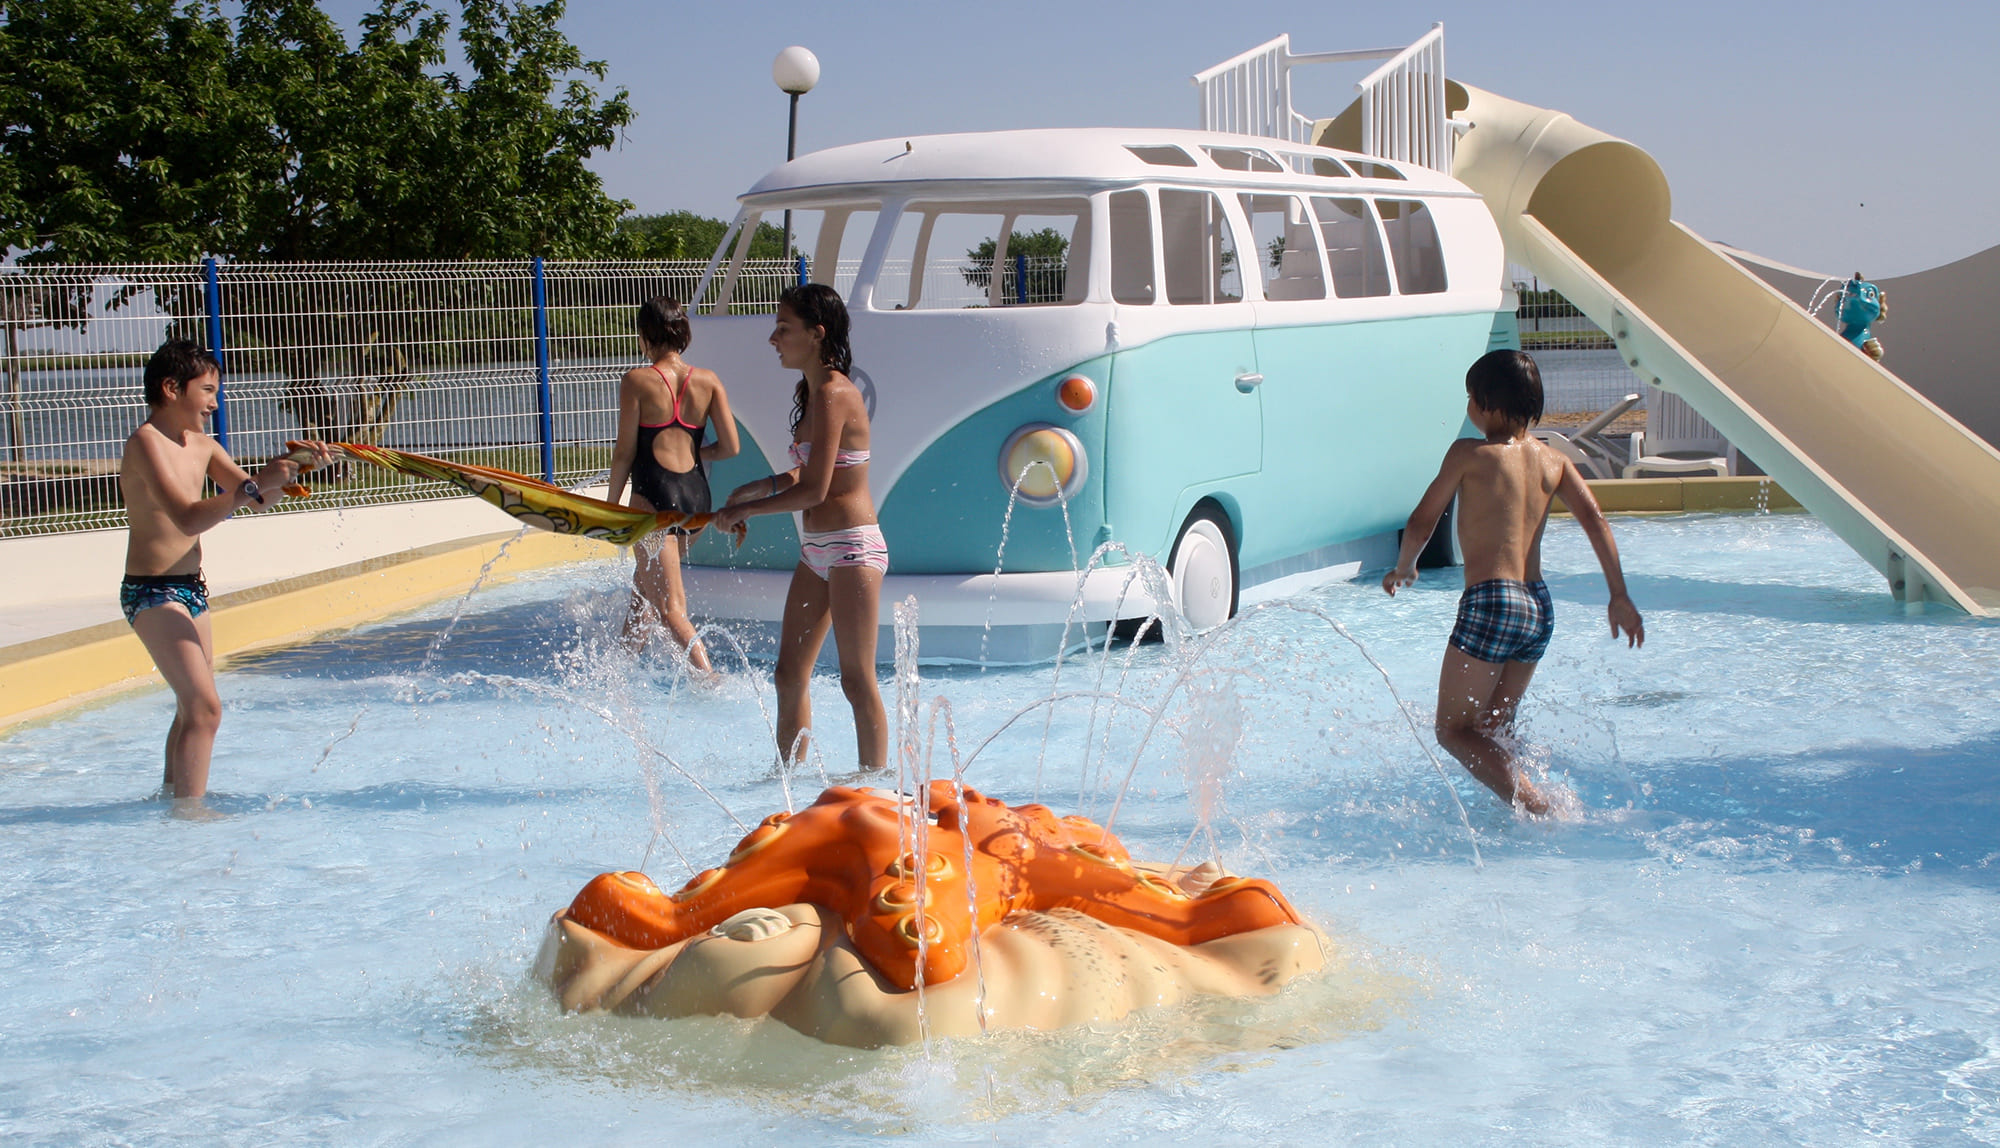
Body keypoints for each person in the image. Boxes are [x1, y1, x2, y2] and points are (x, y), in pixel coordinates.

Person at [1382, 349, 1644, 815]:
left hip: (1492, 599)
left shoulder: (1469, 453)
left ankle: (1540, 808)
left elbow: (1424, 518)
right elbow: (1595, 519)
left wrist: (1406, 566)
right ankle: (1532, 814)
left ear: (1488, 403)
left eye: (1470, 398)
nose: (1467, 408)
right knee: (1494, 728)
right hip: (1538, 605)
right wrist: (1618, 595)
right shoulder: (1552, 460)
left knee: (1453, 731)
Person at [119, 339, 327, 810]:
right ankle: (192, 817)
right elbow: (188, 518)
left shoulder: (205, 446)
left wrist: (291, 469)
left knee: (191, 707)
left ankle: (173, 801)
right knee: (206, 708)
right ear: (172, 388)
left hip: (191, 590)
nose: (216, 402)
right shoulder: (145, 444)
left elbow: (257, 498)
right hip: (151, 592)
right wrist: (256, 484)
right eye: (208, 391)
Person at [711, 284, 888, 772]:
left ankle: (874, 787)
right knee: (788, 674)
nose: (774, 337)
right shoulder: (811, 393)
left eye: (784, 328)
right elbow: (809, 471)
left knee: (856, 679)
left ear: (816, 333)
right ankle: (784, 782)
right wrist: (759, 486)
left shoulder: (835, 393)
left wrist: (748, 511)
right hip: (817, 550)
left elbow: (816, 491)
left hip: (853, 548)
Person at [606, 296, 739, 670]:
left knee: (670, 607)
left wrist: (610, 508)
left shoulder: (637, 380)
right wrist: (697, 454)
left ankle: (710, 681)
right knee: (644, 586)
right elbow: (730, 447)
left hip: (653, 502)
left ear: (645, 334)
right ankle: (623, 664)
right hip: (696, 500)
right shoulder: (709, 381)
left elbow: (624, 453)